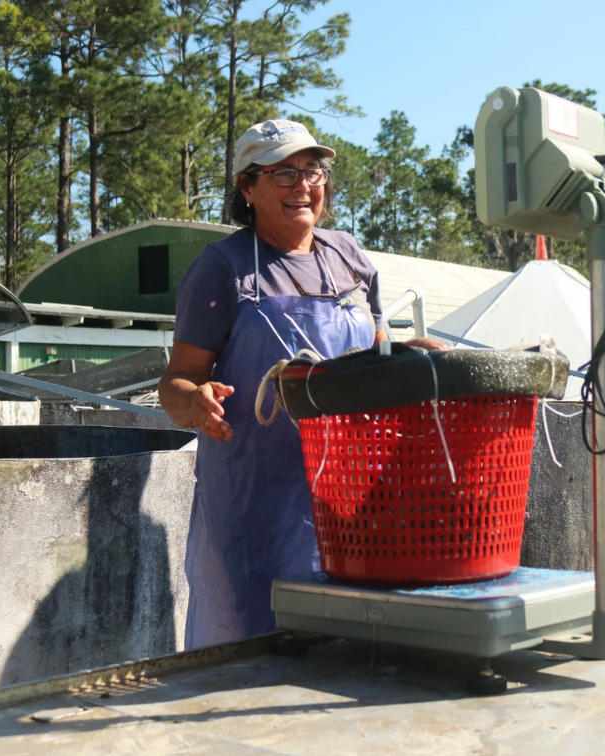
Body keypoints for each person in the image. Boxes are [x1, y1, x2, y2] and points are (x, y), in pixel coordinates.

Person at [158, 119, 447, 648]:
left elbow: (374, 359)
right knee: (261, 641)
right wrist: (194, 403)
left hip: (355, 491)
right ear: (247, 188)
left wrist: (416, 356)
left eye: (312, 170)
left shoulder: (348, 256)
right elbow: (176, 382)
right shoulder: (223, 268)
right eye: (283, 173)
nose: (303, 186)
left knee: (355, 645)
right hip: (259, 498)